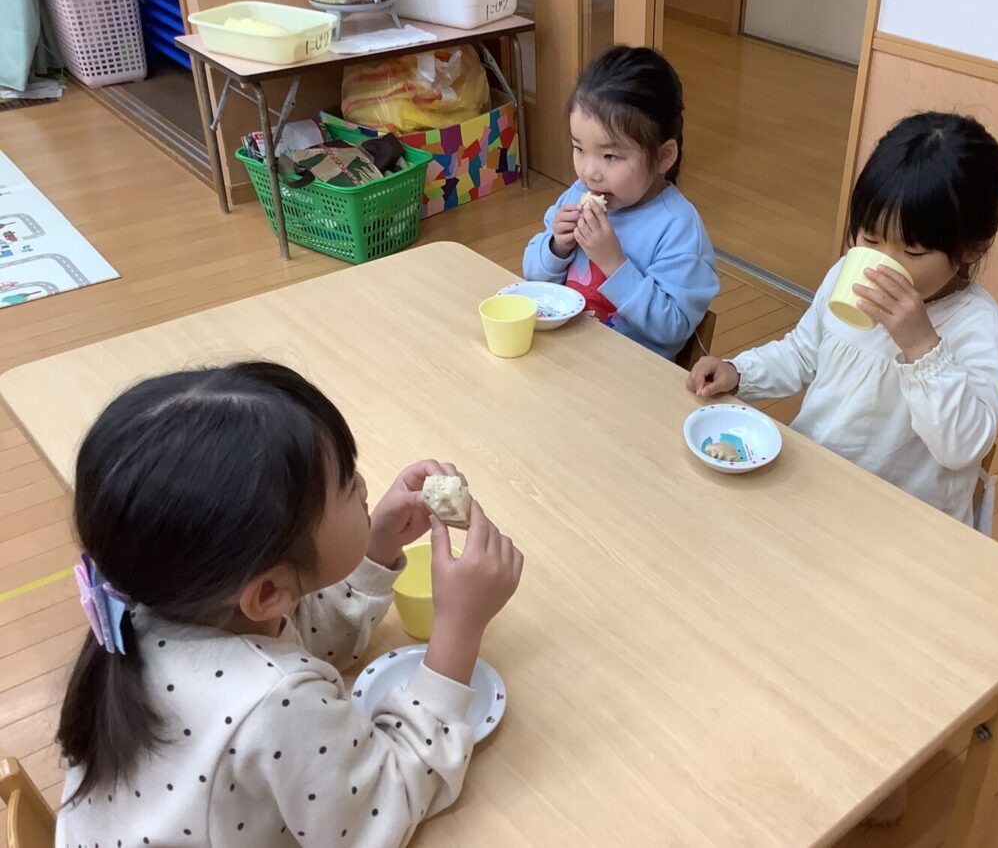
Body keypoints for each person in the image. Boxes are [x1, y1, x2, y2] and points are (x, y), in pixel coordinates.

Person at [55, 361, 522, 847]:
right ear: (266, 592)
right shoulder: (274, 703)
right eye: (346, 486)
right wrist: (459, 629)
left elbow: (307, 638)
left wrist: (377, 546)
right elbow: (379, 813)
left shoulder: (163, 600)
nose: (364, 487)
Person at [689, 110, 998, 528]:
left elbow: (962, 448)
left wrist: (920, 346)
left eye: (912, 251)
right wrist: (739, 373)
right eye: (870, 238)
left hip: (902, 523)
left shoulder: (977, 325)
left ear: (971, 247)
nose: (882, 263)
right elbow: (802, 354)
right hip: (812, 484)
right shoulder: (847, 274)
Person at [523, 45, 719, 360]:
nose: (589, 172)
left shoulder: (677, 229)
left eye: (610, 156)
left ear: (664, 156)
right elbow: (533, 278)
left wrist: (614, 263)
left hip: (629, 372)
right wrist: (555, 247)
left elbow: (673, 328)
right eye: (579, 148)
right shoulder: (576, 194)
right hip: (566, 353)